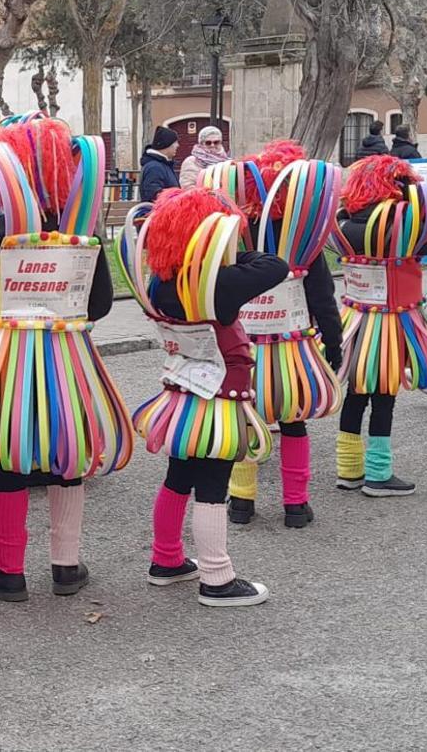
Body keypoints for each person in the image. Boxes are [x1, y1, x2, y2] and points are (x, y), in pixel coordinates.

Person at [0, 119, 133, 603]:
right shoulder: (83, 229)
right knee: (68, 453)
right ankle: (66, 566)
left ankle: (8, 570)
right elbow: (100, 305)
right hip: (71, 362)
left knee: (5, 457)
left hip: (7, 361)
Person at [118, 186, 288, 607]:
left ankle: (166, 559)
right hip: (219, 399)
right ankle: (217, 579)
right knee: (213, 485)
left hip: (182, 393)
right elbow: (275, 265)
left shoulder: (161, 283)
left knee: (179, 477)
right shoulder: (218, 285)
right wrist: (226, 248)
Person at [202, 142, 344, 528]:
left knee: (247, 417)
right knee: (294, 420)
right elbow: (322, 296)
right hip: (291, 347)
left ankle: (242, 503)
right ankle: (295, 505)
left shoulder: (235, 235)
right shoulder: (305, 238)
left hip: (243, 347)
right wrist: (334, 342)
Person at [334, 155, 427, 497]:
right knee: (384, 394)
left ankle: (348, 469)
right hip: (391, 324)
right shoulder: (403, 229)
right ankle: (378, 474)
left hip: (356, 321)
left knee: (357, 391)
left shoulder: (344, 225)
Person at [138, 126, 180, 202]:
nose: (177, 145)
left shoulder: (163, 164)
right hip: (161, 212)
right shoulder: (154, 167)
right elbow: (154, 194)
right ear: (167, 144)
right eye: (175, 142)